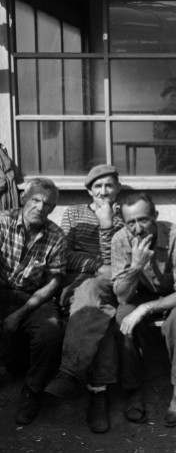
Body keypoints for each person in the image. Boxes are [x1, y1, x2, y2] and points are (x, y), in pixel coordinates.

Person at [45, 164, 123, 433]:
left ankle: (70, 372)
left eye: (109, 185)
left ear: (117, 189)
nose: (103, 191)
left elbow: (117, 263)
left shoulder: (125, 217)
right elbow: (63, 255)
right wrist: (94, 266)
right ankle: (99, 393)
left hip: (110, 287)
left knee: (94, 298)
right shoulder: (73, 214)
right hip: (76, 286)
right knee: (97, 314)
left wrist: (106, 225)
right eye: (97, 186)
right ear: (89, 191)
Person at [112, 192, 176, 427]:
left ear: (155, 216)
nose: (138, 229)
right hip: (141, 293)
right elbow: (121, 296)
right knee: (122, 316)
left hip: (175, 295)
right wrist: (136, 266)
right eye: (131, 222)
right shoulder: (120, 240)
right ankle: (133, 388)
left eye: (143, 220)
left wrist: (147, 308)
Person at [0, 177, 66, 425]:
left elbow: (54, 281)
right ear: (24, 199)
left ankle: (33, 390)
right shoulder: (2, 221)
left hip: (33, 296)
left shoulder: (56, 235)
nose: (40, 207)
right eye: (36, 200)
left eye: (47, 204)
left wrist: (21, 312)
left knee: (49, 331)